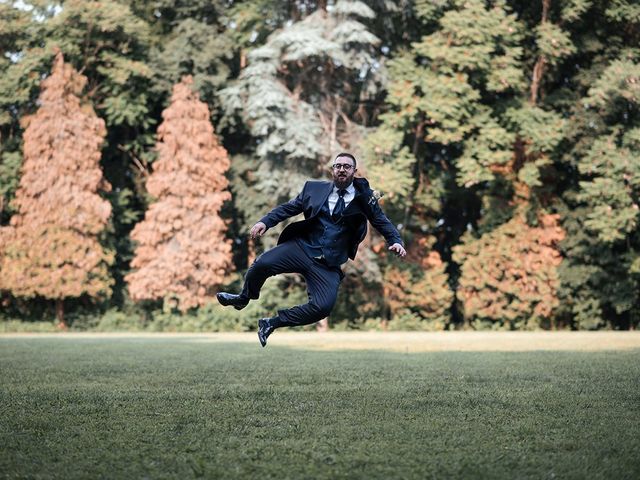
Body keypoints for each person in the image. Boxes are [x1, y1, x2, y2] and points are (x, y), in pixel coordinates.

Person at [217, 152, 406, 347]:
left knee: (322, 308)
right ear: (332, 170)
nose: (342, 169)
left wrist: (396, 240)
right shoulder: (314, 189)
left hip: (328, 263)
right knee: (262, 263)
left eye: (347, 166)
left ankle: (271, 323)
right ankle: (243, 298)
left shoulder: (365, 198)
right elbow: (288, 208)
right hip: (301, 247)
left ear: (354, 171)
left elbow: (381, 221)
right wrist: (265, 222)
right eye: (338, 165)